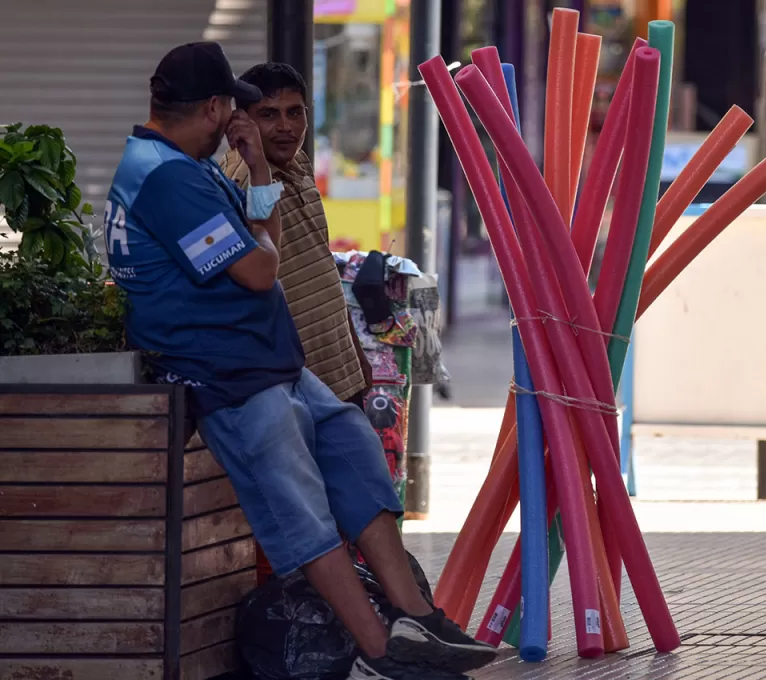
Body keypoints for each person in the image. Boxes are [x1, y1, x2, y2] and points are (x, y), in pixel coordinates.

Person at [103, 42, 495, 679]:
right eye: (235, 107)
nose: (246, 121)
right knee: (303, 511)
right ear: (212, 107)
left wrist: (257, 169)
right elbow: (261, 272)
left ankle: (418, 620)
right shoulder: (165, 177)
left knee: (356, 457)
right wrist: (259, 235)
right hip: (227, 375)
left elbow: (267, 246)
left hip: (275, 365)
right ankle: (380, 652)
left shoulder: (187, 163)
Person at [218, 62, 372, 409]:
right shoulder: (240, 179)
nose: (286, 127)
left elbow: (321, 263)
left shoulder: (298, 164)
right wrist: (257, 165)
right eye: (269, 115)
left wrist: (357, 354)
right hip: (296, 388)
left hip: (339, 371)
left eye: (295, 113)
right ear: (241, 122)